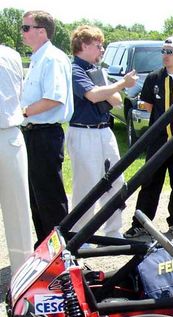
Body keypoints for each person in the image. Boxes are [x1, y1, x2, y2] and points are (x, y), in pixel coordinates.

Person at [67, 25, 138, 239]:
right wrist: (121, 84)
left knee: (116, 181)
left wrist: (112, 87)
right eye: (98, 46)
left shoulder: (97, 71)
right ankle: (80, 235)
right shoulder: (75, 69)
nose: (102, 50)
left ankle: (113, 231)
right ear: (84, 45)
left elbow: (114, 100)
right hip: (83, 131)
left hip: (104, 131)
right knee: (86, 185)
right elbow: (93, 95)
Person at [124, 36, 173, 239]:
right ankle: (140, 223)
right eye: (163, 51)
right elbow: (148, 106)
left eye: (170, 52)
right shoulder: (154, 77)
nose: (165, 56)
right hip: (158, 139)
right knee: (150, 181)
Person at [20, 10, 73, 247]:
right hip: (32, 133)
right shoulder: (37, 58)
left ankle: (61, 251)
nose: (22, 33)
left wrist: (20, 112)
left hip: (45, 133)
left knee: (49, 197)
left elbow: (54, 98)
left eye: (25, 28)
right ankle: (45, 249)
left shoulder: (52, 58)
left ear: (41, 31)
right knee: (36, 196)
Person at [0, 44, 33, 273]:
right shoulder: (10, 54)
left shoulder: (9, 55)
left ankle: (23, 274)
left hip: (9, 131)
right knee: (19, 213)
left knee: (19, 212)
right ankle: (22, 274)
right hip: (10, 134)